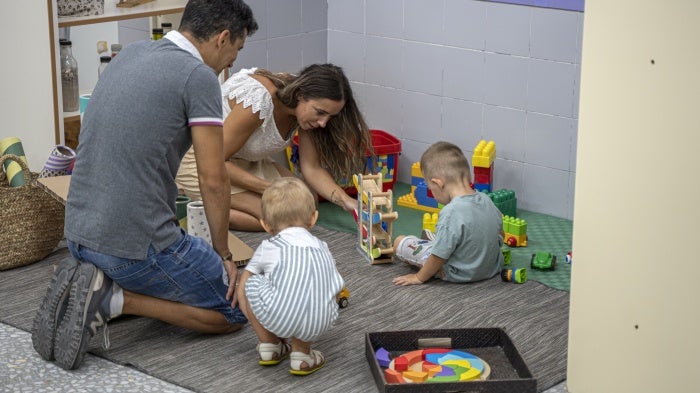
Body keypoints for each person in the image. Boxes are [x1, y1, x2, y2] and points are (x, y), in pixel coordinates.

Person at [31, 0, 258, 371]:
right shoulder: (197, 77)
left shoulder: (130, 54)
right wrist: (224, 254)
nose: (231, 61)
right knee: (235, 307)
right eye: (236, 49)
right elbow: (212, 178)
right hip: (132, 245)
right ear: (223, 38)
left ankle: (92, 279)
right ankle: (114, 299)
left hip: (77, 234)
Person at [175, 64, 373, 231]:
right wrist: (271, 189)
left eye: (329, 117)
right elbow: (215, 161)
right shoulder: (259, 101)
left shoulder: (305, 111)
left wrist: (346, 201)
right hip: (202, 161)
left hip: (243, 161)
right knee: (281, 219)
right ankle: (200, 213)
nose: (323, 122)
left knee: (307, 202)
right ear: (299, 94)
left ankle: (217, 204)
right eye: (320, 113)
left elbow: (311, 168)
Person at [237, 177, 344, 375]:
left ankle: (270, 345)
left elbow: (244, 284)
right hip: (320, 321)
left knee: (249, 283)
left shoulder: (268, 246)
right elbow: (336, 283)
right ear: (313, 218)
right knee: (320, 291)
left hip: (278, 317)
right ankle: (302, 355)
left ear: (266, 225)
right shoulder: (323, 247)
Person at [392, 141, 504, 286]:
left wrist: (419, 277)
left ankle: (436, 241)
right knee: (447, 240)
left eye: (431, 189)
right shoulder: (486, 199)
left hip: (457, 272)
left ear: (438, 184)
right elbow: (501, 234)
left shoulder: (451, 212)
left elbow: (439, 256)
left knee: (399, 241)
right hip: (491, 268)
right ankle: (441, 240)